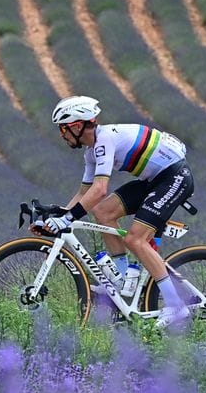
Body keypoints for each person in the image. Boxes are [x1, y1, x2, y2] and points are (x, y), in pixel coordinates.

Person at [36, 95, 195, 328]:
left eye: (63, 129)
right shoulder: (91, 152)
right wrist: (57, 218)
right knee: (103, 212)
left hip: (174, 176)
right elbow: (84, 195)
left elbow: (100, 189)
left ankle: (175, 305)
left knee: (135, 239)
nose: (61, 135)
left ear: (78, 126)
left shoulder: (105, 140)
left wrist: (69, 218)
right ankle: (123, 282)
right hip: (155, 179)